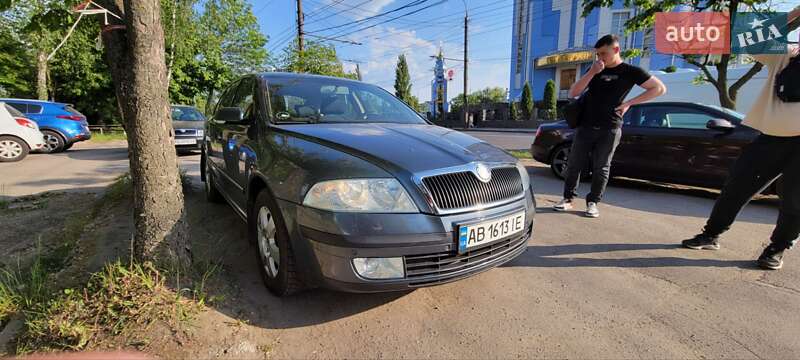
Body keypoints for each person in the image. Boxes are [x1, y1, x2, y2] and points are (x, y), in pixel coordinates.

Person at [682, 7, 800, 270]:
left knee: (795, 201)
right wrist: (794, 13)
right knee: (736, 187)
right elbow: (745, 38)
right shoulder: (787, 57)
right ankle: (711, 234)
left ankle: (777, 248)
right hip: (771, 137)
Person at [553, 34, 666, 217]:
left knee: (602, 166)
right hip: (586, 125)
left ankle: (593, 203)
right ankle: (568, 199)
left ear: (616, 50)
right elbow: (574, 92)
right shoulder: (596, 70)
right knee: (574, 164)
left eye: (603, 53)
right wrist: (592, 73)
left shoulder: (631, 71)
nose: (600, 58)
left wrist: (630, 103)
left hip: (610, 127)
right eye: (597, 54)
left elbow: (659, 88)